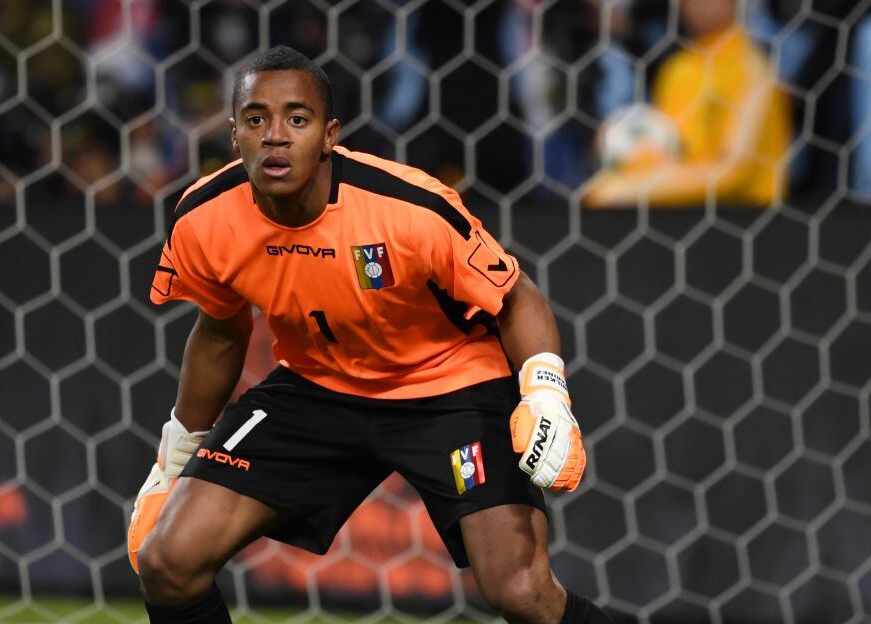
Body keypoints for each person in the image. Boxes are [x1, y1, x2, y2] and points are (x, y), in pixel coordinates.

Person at [129, 45, 610, 624]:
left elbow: (515, 295)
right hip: (317, 388)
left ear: (329, 136)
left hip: (449, 388)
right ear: (234, 134)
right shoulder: (203, 218)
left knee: (522, 593)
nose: (275, 136)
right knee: (167, 561)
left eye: (297, 119)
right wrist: (176, 453)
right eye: (256, 119)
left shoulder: (408, 208)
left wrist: (546, 393)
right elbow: (220, 331)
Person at [584, 0, 791, 208]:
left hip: (746, 214)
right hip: (682, 211)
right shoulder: (677, 69)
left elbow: (733, 172)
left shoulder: (755, 72)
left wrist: (633, 189)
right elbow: (669, 150)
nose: (698, 5)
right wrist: (620, 152)